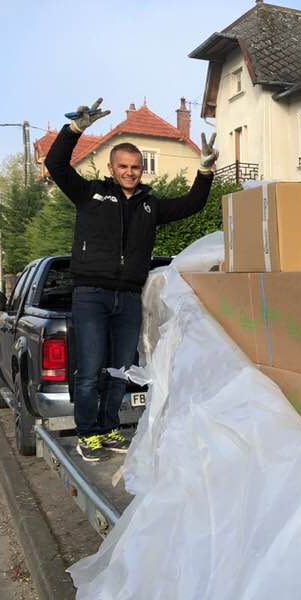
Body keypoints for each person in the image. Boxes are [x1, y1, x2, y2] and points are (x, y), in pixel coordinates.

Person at [45, 98, 218, 462]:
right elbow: (56, 164)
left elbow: (192, 205)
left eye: (135, 167)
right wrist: (74, 130)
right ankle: (87, 434)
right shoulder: (89, 194)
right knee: (90, 370)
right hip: (90, 294)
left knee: (120, 370)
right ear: (111, 167)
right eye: (123, 166)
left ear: (142, 170)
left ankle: (109, 428)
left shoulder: (150, 206)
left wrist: (204, 172)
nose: (129, 172)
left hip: (127, 297)